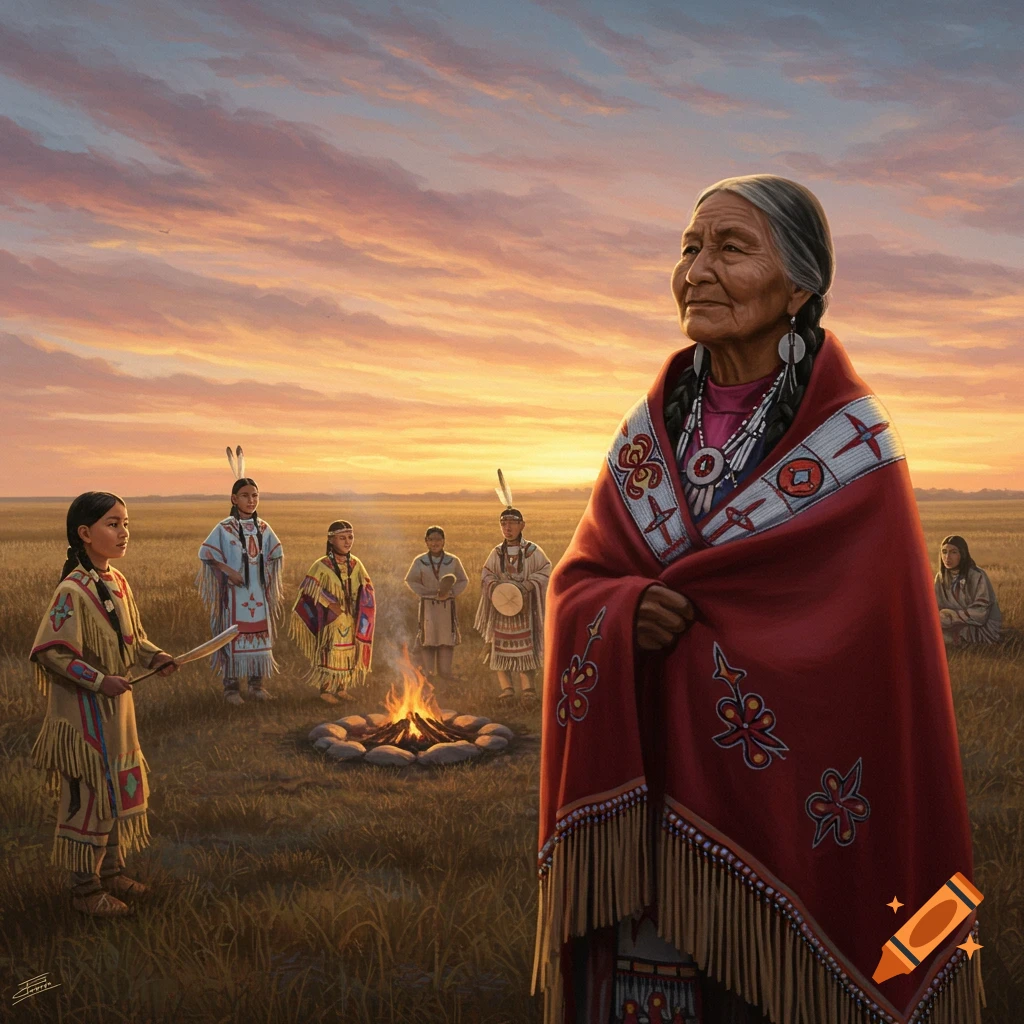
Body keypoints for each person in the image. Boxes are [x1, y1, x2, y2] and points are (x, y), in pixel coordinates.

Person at [535, 176, 981, 1024]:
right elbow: (580, 582)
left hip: (786, 822)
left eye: (731, 249)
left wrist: (714, 637)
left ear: (800, 287)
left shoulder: (855, 447)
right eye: (689, 248)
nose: (697, 271)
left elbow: (863, 650)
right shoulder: (645, 433)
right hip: (649, 800)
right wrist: (624, 612)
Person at [29, 492, 177, 917]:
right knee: (91, 792)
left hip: (117, 709)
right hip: (83, 715)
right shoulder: (72, 591)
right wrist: (97, 680)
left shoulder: (118, 582)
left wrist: (156, 656)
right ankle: (85, 889)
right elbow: (50, 651)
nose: (124, 532)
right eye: (113, 524)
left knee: (118, 785)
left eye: (126, 523)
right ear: (85, 533)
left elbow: (131, 639)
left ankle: (111, 872)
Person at [197, 450, 284, 705]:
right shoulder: (224, 528)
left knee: (260, 638)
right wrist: (227, 571)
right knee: (232, 637)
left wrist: (267, 573)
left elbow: (276, 554)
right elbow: (206, 554)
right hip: (233, 595)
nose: (251, 500)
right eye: (245, 495)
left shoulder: (264, 528)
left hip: (257, 592)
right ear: (234, 498)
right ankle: (231, 689)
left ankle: (257, 686)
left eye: (255, 495)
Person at [475, 486, 551, 702]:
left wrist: (527, 585)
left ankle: (528, 690)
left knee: (526, 650)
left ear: (522, 525)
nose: (507, 528)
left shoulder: (533, 551)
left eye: (512, 523)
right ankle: (507, 689)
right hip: (502, 611)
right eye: (503, 524)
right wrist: (497, 588)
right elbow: (486, 573)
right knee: (500, 649)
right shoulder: (496, 552)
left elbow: (546, 570)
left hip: (525, 611)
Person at [290, 520, 376, 704]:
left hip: (351, 617)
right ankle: (326, 690)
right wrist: (329, 603)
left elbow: (367, 586)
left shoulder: (355, 563)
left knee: (349, 653)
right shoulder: (322, 565)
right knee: (331, 652)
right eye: (342, 538)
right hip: (331, 620)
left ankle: (342, 689)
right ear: (331, 540)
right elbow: (308, 588)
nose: (347, 542)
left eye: (350, 537)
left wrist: (362, 600)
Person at [404, 526, 469, 680]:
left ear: (444, 541)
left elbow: (463, 580)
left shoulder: (453, 561)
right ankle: (428, 673)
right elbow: (410, 580)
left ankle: (445, 673)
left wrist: (450, 593)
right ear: (426, 542)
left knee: (446, 638)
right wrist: (427, 593)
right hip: (428, 606)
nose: (435, 543)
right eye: (431, 540)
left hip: (446, 606)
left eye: (438, 539)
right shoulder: (420, 561)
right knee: (428, 639)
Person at [935, 534, 1002, 645]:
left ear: (962, 554)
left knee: (942, 639)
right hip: (950, 624)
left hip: (979, 627)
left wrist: (953, 616)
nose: (947, 557)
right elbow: (935, 606)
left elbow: (981, 613)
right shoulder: (940, 577)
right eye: (944, 552)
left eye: (953, 552)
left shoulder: (977, 576)